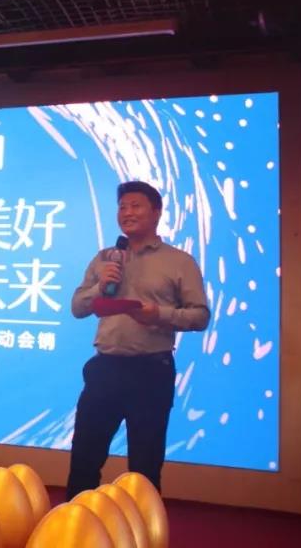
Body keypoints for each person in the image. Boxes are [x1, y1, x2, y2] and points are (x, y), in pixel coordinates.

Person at [65, 180, 208, 500]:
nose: (127, 212)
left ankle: (142, 525)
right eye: (122, 207)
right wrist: (99, 287)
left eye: (135, 206)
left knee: (145, 464)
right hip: (105, 369)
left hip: (150, 371)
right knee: (84, 455)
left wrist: (158, 314)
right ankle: (73, 522)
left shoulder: (179, 261)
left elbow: (200, 316)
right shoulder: (105, 258)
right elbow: (77, 308)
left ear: (156, 212)